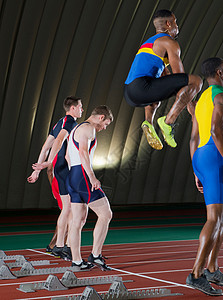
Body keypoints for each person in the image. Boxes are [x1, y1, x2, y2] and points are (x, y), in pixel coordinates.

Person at [186, 57, 223, 296]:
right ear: (219, 72)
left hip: (201, 156)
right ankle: (196, 274)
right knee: (215, 218)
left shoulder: (201, 101)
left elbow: (193, 137)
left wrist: (196, 169)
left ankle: (212, 267)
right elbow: (217, 130)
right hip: (215, 157)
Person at [124, 9, 202, 150]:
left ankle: (148, 122)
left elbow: (166, 77)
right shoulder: (169, 42)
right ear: (168, 23)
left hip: (130, 92)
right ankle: (168, 122)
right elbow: (180, 76)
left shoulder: (149, 43)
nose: (177, 26)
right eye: (175, 22)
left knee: (157, 88)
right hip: (142, 87)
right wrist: (190, 106)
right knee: (196, 81)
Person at [28, 96, 83, 260]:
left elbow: (45, 147)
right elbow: (58, 141)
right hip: (65, 169)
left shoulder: (58, 122)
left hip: (59, 169)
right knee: (71, 210)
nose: (82, 109)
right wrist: (46, 164)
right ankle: (61, 246)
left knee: (67, 209)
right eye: (80, 106)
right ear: (72, 108)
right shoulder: (70, 122)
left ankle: (60, 246)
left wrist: (36, 170)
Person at [65, 105, 113, 270]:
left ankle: (77, 261)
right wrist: (91, 177)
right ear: (100, 117)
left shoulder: (75, 130)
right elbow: (83, 153)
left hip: (72, 176)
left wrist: (75, 175)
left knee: (78, 221)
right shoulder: (89, 129)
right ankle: (96, 255)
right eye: (105, 123)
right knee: (106, 214)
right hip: (82, 176)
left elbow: (67, 155)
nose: (104, 128)